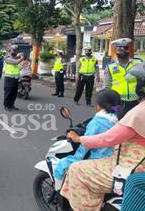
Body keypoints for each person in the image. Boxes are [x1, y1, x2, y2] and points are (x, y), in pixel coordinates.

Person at [62, 63, 145, 211]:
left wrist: (78, 139)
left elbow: (108, 139)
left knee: (76, 169)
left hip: (132, 165)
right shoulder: (118, 117)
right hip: (131, 159)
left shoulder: (138, 113)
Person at [53, 89, 121, 185]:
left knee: (67, 165)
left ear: (99, 106)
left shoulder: (97, 123)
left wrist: (68, 161)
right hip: (116, 159)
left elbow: (84, 148)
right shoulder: (119, 120)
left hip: (98, 160)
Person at [105, 38, 143, 118]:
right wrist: (109, 104)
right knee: (117, 122)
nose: (123, 50)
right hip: (118, 104)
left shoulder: (138, 63)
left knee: (136, 125)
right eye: (120, 49)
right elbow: (107, 87)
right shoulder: (110, 67)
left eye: (125, 48)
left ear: (129, 50)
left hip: (136, 102)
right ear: (115, 50)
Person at [3, 45, 23, 111]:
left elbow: (19, 67)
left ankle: (11, 105)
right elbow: (15, 63)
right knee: (8, 93)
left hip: (15, 78)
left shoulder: (15, 58)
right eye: (14, 50)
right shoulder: (7, 58)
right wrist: (21, 59)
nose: (15, 51)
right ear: (10, 51)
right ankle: (6, 105)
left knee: (14, 93)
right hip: (9, 78)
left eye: (16, 50)